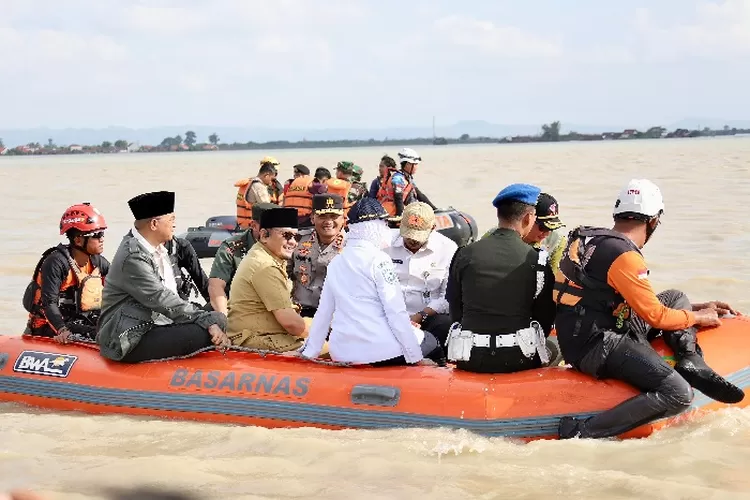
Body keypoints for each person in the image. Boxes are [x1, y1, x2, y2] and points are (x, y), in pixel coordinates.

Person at [554, 179, 744, 439]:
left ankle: (689, 359)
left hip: (583, 332)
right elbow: (655, 315)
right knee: (678, 393)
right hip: (598, 345)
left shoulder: (592, 240)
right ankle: (582, 432)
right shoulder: (625, 256)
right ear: (653, 221)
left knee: (676, 296)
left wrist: (693, 308)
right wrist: (700, 317)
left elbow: (622, 297)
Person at [300, 198, 440, 366]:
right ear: (374, 227)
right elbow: (395, 312)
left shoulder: (336, 262)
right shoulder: (380, 260)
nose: (387, 230)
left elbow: (324, 313)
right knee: (432, 342)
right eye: (385, 225)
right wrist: (415, 357)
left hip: (342, 352)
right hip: (380, 351)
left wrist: (310, 352)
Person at [98, 191, 229, 363]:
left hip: (161, 322)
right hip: (131, 335)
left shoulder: (159, 248)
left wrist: (208, 317)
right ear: (154, 224)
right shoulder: (133, 257)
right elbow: (161, 298)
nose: (175, 226)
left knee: (219, 312)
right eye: (171, 220)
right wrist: (206, 321)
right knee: (207, 327)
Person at [446, 183, 556, 373]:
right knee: (556, 345)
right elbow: (545, 316)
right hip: (519, 358)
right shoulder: (537, 259)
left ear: (499, 214)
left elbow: (455, 307)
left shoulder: (464, 253)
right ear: (529, 217)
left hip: (471, 357)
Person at [226, 207, 310, 352]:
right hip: (259, 339)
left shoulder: (266, 256)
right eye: (286, 235)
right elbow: (292, 324)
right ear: (264, 235)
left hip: (264, 335)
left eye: (296, 237)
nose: (293, 242)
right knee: (333, 349)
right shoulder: (265, 266)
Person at [23, 203, 109, 344]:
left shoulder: (98, 263)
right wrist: (61, 330)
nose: (102, 239)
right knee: (99, 333)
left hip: (79, 320)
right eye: (96, 235)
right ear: (78, 240)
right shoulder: (56, 263)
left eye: (102, 234)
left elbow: (118, 290)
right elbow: (49, 303)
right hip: (49, 326)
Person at [385, 202, 457, 347]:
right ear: (400, 225)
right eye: (408, 234)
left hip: (426, 317)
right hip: (387, 316)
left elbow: (446, 298)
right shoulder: (384, 242)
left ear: (433, 228)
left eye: (419, 236)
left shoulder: (447, 248)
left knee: (445, 325)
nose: (412, 240)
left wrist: (419, 317)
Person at [207, 202, 276, 315]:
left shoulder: (285, 245)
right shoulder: (232, 247)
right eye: (268, 227)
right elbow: (216, 286)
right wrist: (225, 317)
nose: (273, 232)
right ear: (253, 225)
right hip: (237, 308)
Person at [290, 194, 347, 317]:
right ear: (312, 218)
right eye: (322, 216)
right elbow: (285, 274)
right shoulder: (297, 240)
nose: (328, 222)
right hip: (300, 312)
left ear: (343, 218)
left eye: (333, 216)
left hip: (336, 315)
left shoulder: (352, 246)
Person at [483, 192, 567, 274]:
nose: (547, 234)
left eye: (552, 229)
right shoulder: (493, 237)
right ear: (528, 219)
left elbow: (553, 279)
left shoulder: (556, 241)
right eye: (543, 228)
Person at [234, 156, 279, 229]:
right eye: (272, 179)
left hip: (243, 225)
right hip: (253, 227)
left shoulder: (249, 183)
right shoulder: (259, 187)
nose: (271, 183)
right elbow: (268, 208)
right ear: (266, 176)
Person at [165, 236, 210, 304]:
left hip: (179, 302)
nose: (173, 225)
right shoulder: (145, 252)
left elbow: (200, 278)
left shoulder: (181, 246)